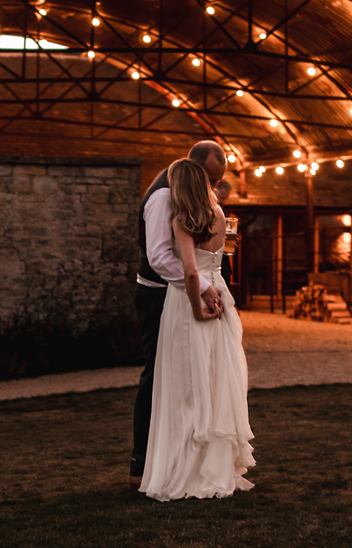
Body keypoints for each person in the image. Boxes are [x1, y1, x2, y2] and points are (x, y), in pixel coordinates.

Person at [139, 158, 255, 501]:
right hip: (222, 295)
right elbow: (221, 255)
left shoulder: (182, 220)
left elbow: (190, 273)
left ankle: (187, 470)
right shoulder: (219, 216)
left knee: (186, 386)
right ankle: (219, 466)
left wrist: (197, 307)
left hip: (188, 303)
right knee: (217, 380)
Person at [131, 141, 225, 489]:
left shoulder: (190, 198)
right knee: (157, 376)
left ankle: (185, 455)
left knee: (191, 375)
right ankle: (141, 462)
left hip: (186, 290)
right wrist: (201, 284)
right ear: (196, 168)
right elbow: (159, 258)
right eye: (210, 180)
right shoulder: (162, 198)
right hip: (159, 295)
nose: (212, 189)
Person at [214, 179, 234, 286]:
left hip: (223, 262)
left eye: (225, 198)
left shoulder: (223, 211)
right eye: (221, 198)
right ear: (214, 192)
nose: (223, 202)